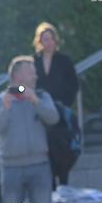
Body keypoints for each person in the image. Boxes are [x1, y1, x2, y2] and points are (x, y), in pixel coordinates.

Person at [0, 56, 59, 203]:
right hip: (11, 168)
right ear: (17, 76)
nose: (36, 76)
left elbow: (54, 118)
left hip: (40, 165)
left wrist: (35, 101)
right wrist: (5, 109)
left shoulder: (41, 96)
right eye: (31, 73)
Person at [33, 22, 80, 186]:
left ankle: (64, 183)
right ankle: (51, 184)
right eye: (45, 39)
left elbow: (73, 84)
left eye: (51, 39)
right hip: (42, 112)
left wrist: (65, 103)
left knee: (62, 147)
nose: (48, 42)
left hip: (60, 111)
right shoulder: (34, 62)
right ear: (40, 41)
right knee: (47, 149)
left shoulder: (64, 60)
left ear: (55, 40)